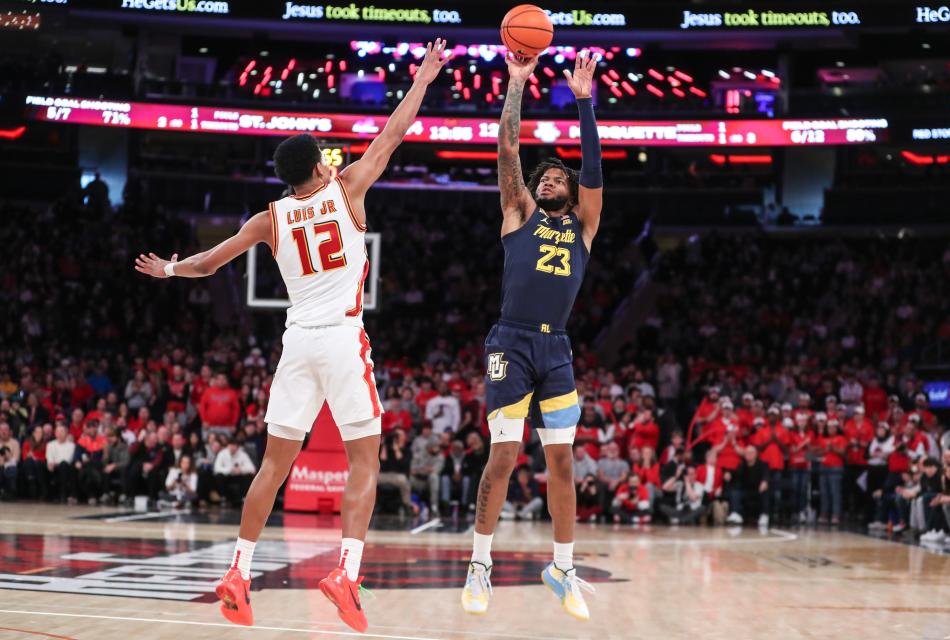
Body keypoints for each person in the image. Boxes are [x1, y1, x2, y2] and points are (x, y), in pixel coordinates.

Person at [134, 37, 451, 633]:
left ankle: (238, 570)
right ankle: (346, 573)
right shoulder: (348, 188)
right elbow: (395, 132)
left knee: (273, 467)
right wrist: (425, 79)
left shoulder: (268, 218)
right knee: (366, 460)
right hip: (341, 338)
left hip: (296, 344)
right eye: (327, 158)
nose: (334, 161)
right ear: (319, 167)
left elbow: (207, 264)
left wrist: (169, 268)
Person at [464, 49, 604, 621]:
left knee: (564, 463)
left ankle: (563, 568)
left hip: (557, 348)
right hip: (511, 342)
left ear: (569, 192)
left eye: (557, 177)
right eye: (543, 177)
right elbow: (507, 150)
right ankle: (479, 565)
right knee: (503, 457)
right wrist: (516, 85)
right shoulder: (519, 211)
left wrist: (584, 103)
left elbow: (593, 171)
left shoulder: (586, 224)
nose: (548, 179)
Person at [726, 445, 770, 528]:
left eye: (751, 453)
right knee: (734, 491)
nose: (749, 454)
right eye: (747, 453)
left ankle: (764, 515)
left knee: (765, 490)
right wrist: (729, 474)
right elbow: (735, 475)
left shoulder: (762, 464)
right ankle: (736, 513)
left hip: (758, 490)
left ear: (756, 454)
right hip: (746, 491)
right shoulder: (742, 465)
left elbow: (766, 475)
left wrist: (765, 481)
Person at [214, 438, 256, 507]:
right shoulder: (222, 454)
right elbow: (217, 468)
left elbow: (252, 469)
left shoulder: (243, 455)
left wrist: (241, 470)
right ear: (228, 446)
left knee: (248, 476)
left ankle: (244, 499)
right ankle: (223, 498)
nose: (232, 447)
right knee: (219, 476)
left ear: (237, 447)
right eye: (230, 445)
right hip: (227, 476)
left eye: (234, 445)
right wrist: (229, 470)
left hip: (238, 476)